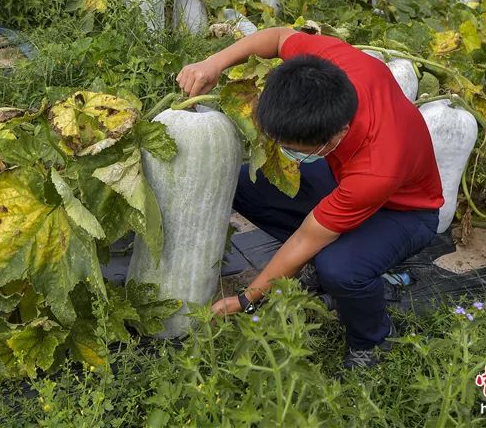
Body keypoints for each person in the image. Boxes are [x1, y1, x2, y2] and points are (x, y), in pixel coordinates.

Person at [176, 26, 444, 369]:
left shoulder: (377, 167)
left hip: (405, 214)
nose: (285, 152)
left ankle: (372, 341)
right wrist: (214, 62)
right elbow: (276, 38)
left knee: (340, 269)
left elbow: (306, 236)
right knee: (240, 184)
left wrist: (248, 299)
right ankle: (329, 257)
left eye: (294, 150)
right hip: (340, 177)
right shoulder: (335, 67)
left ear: (338, 135)